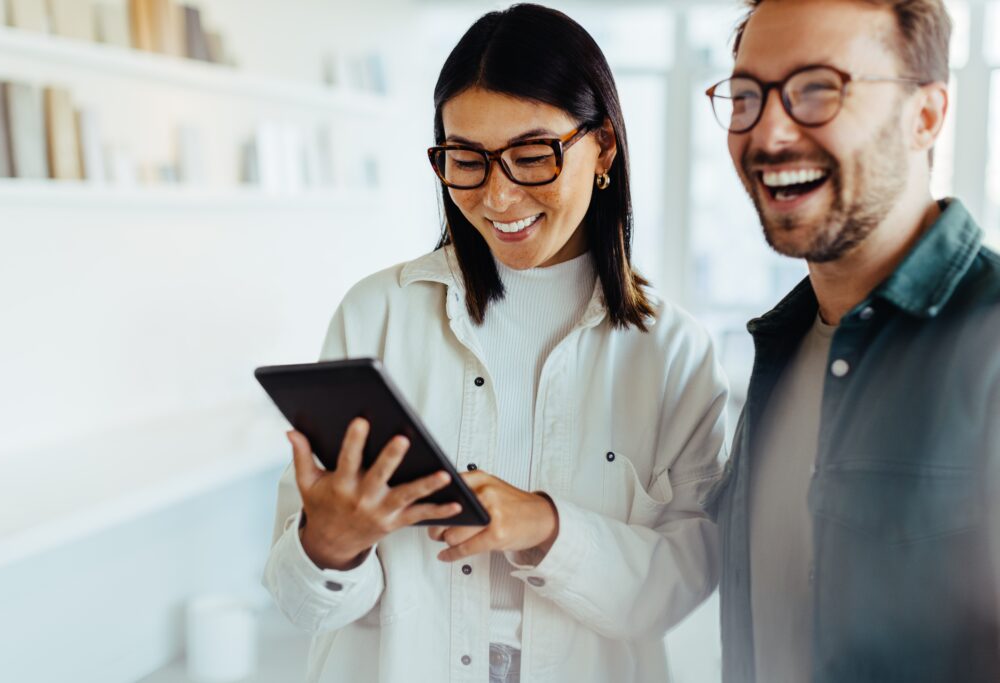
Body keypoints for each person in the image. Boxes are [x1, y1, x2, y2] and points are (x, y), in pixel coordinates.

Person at [263, 4, 728, 682]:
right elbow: (302, 606)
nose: (499, 195)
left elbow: (683, 582)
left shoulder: (674, 351)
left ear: (602, 148)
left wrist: (546, 526)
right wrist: (328, 546)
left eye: (533, 157)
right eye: (466, 161)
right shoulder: (376, 314)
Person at [704, 0, 1000, 681]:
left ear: (924, 117)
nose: (770, 132)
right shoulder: (783, 344)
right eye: (747, 95)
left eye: (817, 90)